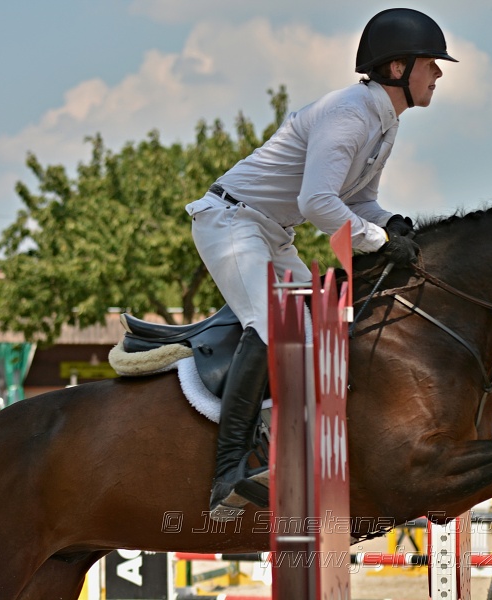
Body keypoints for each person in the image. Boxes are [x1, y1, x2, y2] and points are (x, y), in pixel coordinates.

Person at [185, 8, 458, 519]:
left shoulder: (384, 122)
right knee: (270, 327)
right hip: (231, 221)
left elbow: (358, 203)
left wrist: (393, 224)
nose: (439, 74)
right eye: (431, 64)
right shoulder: (351, 113)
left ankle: (276, 448)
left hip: (270, 230)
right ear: (398, 68)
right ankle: (227, 474)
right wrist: (376, 238)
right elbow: (316, 203)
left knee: (314, 334)